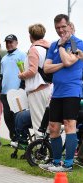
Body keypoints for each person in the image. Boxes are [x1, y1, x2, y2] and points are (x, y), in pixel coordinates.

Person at [40, 14, 83, 172]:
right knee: (53, 127)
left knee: (69, 124)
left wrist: (61, 47)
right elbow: (46, 68)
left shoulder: (77, 43)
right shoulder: (52, 45)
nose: (61, 30)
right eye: (58, 28)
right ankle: (56, 161)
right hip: (57, 92)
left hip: (72, 90)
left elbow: (67, 61)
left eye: (63, 27)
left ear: (69, 26)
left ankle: (69, 163)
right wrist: (61, 59)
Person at [18, 24, 52, 139]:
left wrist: (22, 75)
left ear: (30, 36)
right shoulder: (49, 48)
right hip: (48, 87)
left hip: (37, 89)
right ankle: (50, 150)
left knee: (38, 123)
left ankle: (40, 152)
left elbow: (32, 70)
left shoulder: (34, 49)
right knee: (47, 123)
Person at [0, 34, 26, 144]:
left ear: (16, 43)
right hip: (5, 93)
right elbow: (2, 75)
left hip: (16, 92)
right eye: (7, 42)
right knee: (7, 117)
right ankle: (14, 138)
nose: (9, 44)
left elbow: (25, 72)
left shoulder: (22, 55)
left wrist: (22, 87)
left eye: (11, 42)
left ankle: (23, 139)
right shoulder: (4, 58)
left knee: (18, 117)